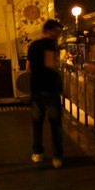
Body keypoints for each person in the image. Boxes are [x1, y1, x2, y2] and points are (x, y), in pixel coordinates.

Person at [27, 19, 64, 168]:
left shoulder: (33, 45)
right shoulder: (50, 45)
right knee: (55, 124)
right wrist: (59, 78)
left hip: (36, 90)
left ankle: (37, 153)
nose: (58, 35)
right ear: (49, 30)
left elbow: (28, 68)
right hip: (50, 90)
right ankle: (57, 156)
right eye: (57, 32)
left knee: (37, 123)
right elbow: (50, 65)